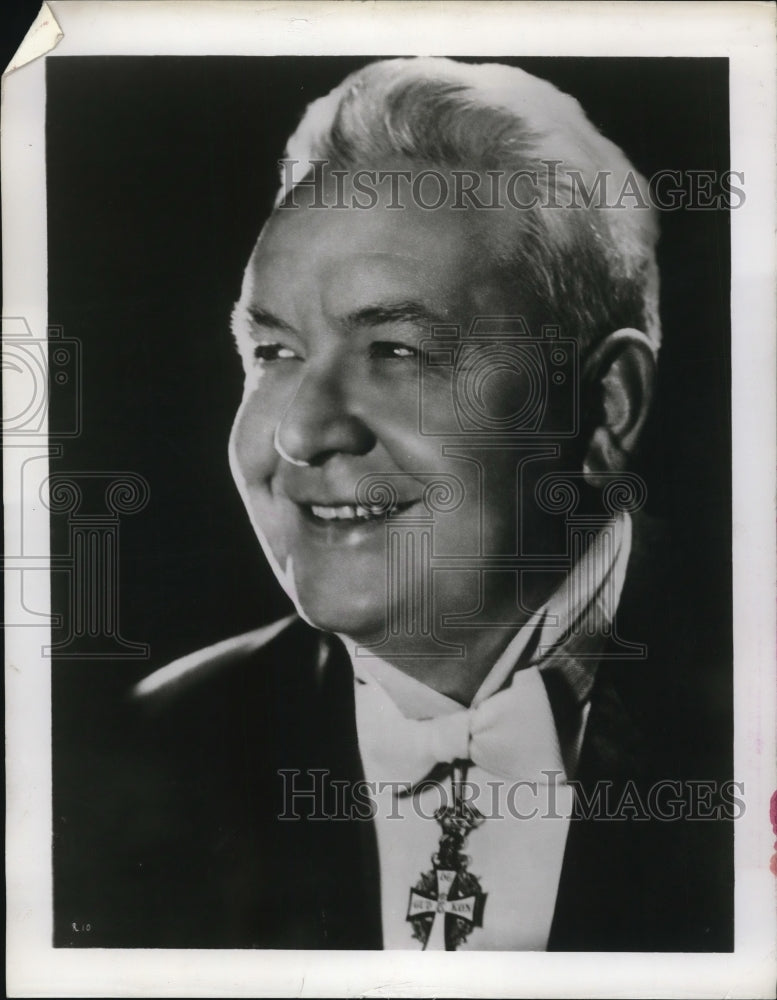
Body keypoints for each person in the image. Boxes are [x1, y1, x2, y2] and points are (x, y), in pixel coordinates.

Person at [73, 57, 733, 951]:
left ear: (605, 404)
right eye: (273, 353)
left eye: (396, 350)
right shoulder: (149, 752)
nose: (301, 434)